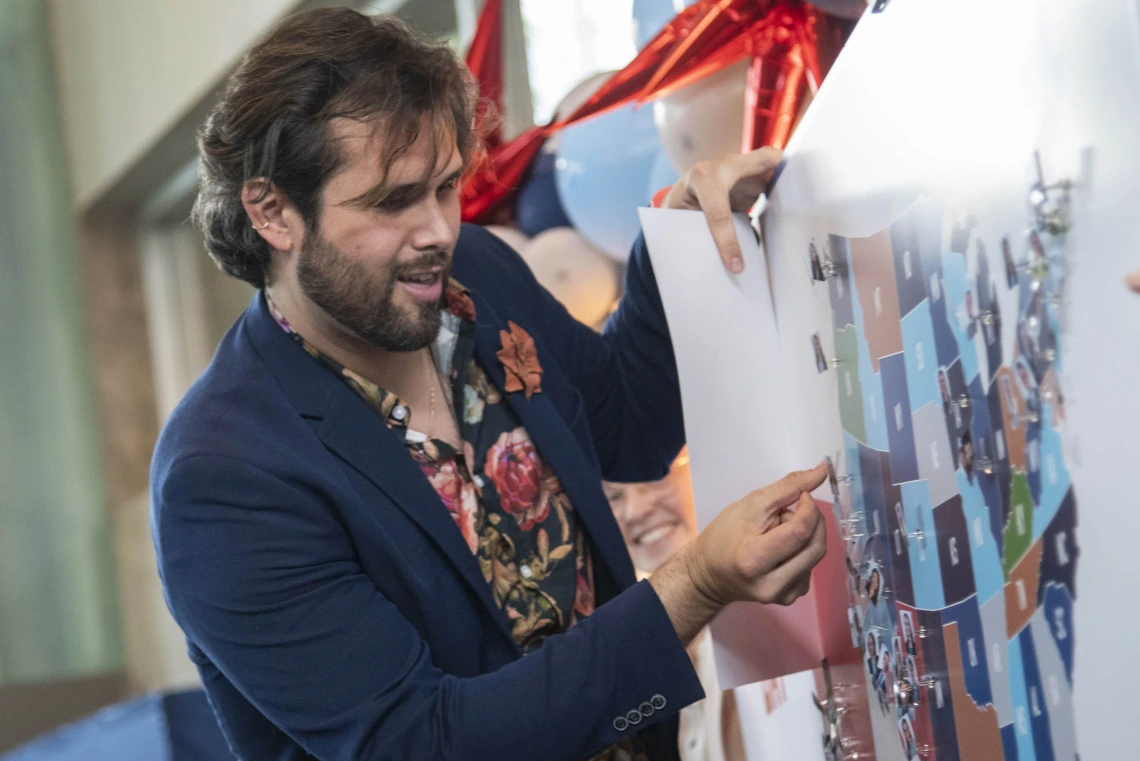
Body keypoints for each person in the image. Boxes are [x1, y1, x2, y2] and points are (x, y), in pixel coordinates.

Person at [152, 9, 828, 761]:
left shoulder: (475, 273)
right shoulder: (222, 480)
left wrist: (677, 251)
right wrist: (693, 584)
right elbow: (425, 743)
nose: (438, 228)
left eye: (445, 187)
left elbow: (628, 424)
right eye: (391, 200)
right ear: (272, 211)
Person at [605, 453, 745, 761]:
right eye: (613, 497)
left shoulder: (760, 608)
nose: (636, 510)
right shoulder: (635, 655)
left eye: (655, 478)